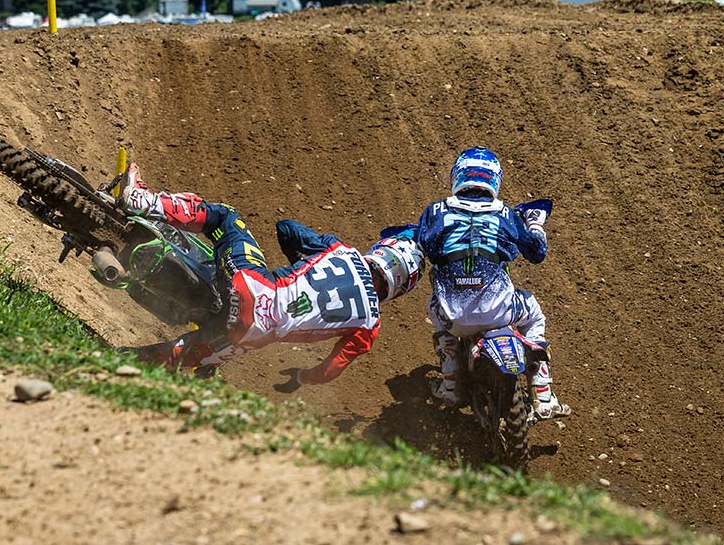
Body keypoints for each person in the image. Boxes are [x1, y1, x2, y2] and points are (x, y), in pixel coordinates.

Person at [116, 163, 424, 389]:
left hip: (252, 285)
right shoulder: (369, 326)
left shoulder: (342, 251)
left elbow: (286, 228)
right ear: (401, 287)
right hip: (250, 333)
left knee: (224, 218)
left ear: (383, 250)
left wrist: (303, 263)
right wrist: (300, 378)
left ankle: (143, 202)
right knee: (181, 357)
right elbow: (329, 371)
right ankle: (113, 362)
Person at [415, 146, 570, 421]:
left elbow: (424, 248)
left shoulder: (436, 211)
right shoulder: (506, 214)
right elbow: (537, 253)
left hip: (453, 315)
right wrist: (534, 225)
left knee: (432, 305)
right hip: (500, 311)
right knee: (533, 312)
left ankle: (451, 383)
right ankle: (543, 393)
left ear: (458, 177)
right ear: (494, 180)